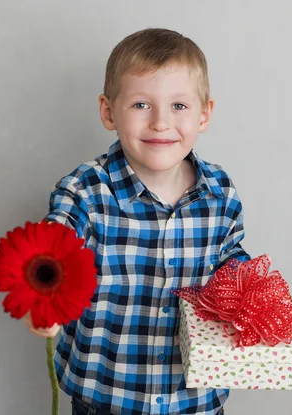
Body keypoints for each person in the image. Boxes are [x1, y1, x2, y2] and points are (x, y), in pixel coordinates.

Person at [26, 28, 250, 415]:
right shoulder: (85, 190)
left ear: (204, 114)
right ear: (108, 111)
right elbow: (55, 242)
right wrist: (44, 297)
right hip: (107, 398)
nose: (161, 123)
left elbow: (230, 256)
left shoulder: (221, 191)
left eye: (179, 105)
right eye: (141, 105)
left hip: (194, 400)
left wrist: (248, 293)